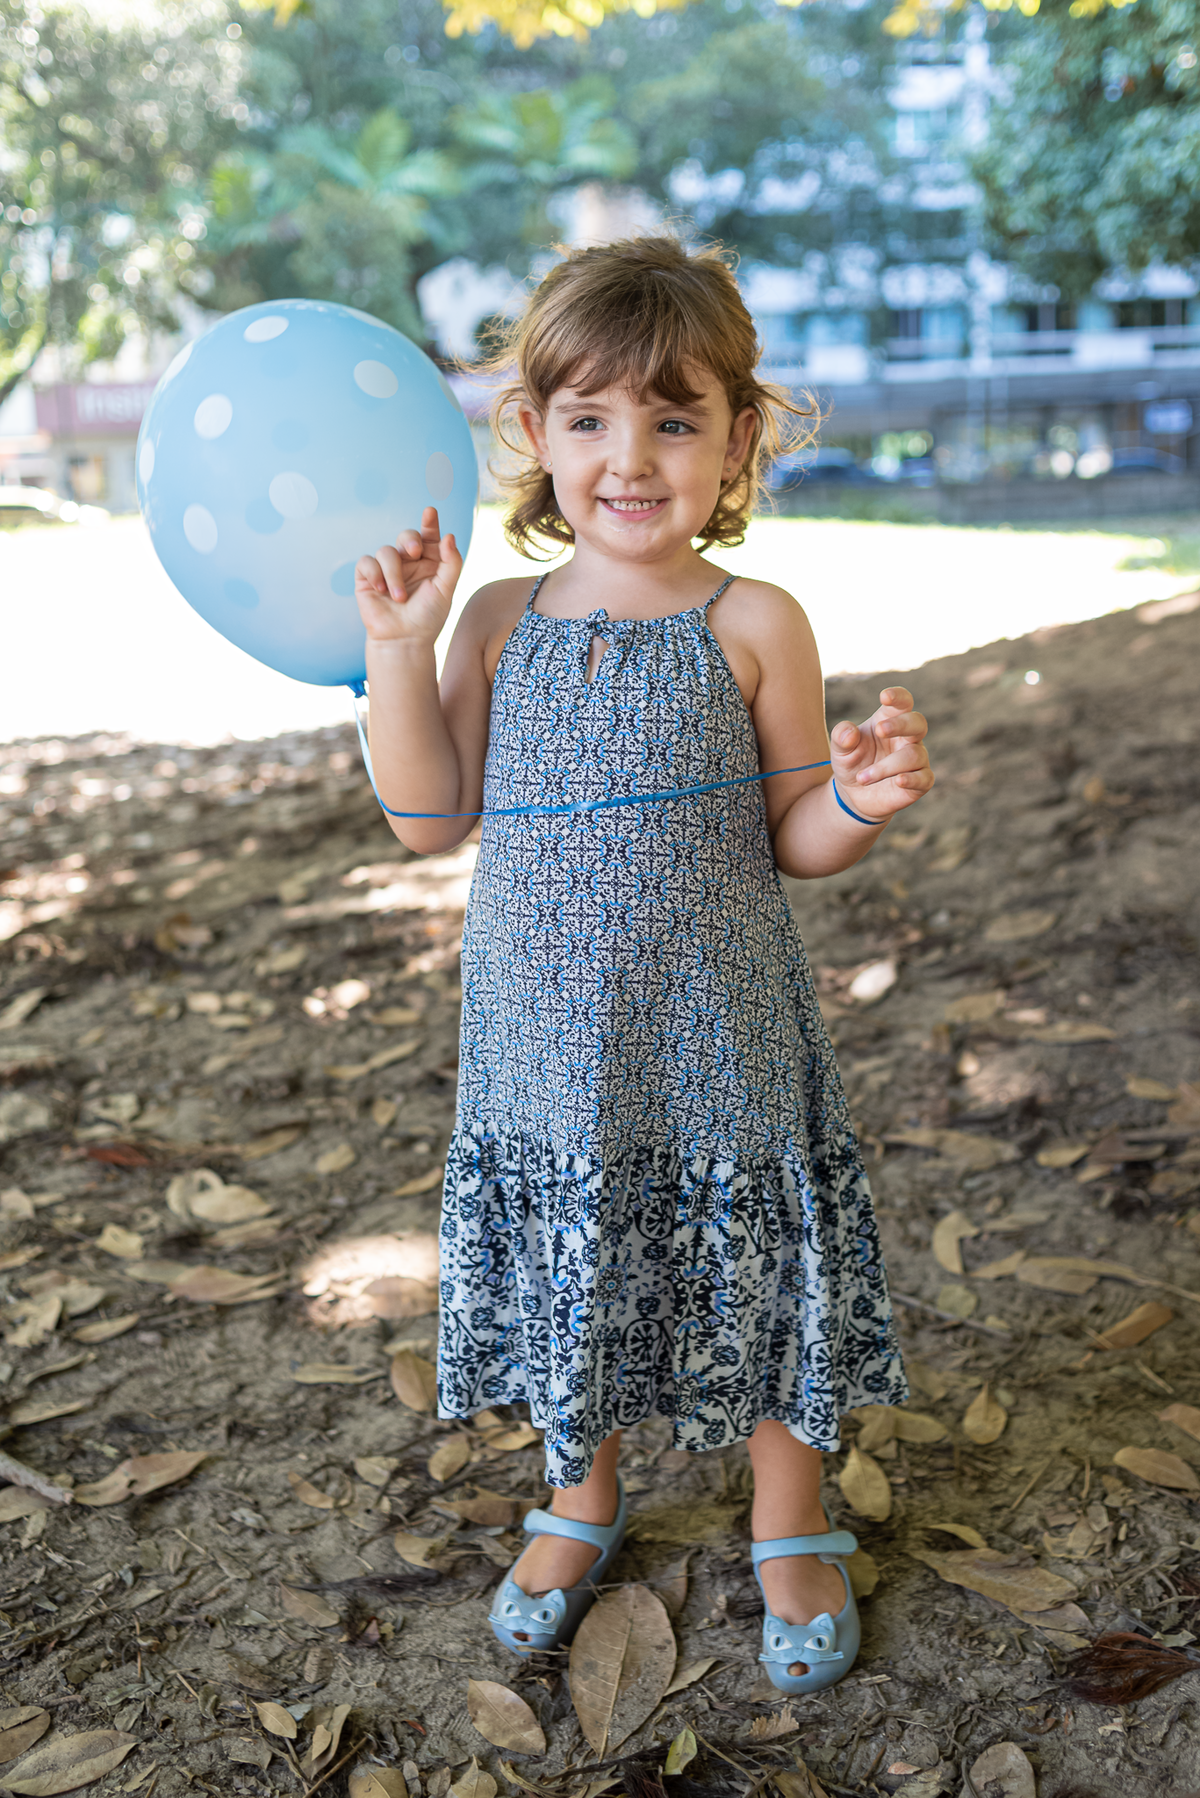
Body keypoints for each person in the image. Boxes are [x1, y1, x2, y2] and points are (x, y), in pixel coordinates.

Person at [355, 235, 934, 1695]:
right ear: (534, 433)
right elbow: (428, 820)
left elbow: (795, 831)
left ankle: (790, 1520)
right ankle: (585, 1491)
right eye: (591, 417)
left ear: (739, 437)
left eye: (674, 418)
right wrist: (399, 654)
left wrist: (857, 797)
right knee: (576, 1270)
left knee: (764, 1268)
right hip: (547, 1045)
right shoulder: (495, 624)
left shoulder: (754, 625)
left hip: (720, 1033)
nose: (631, 455)